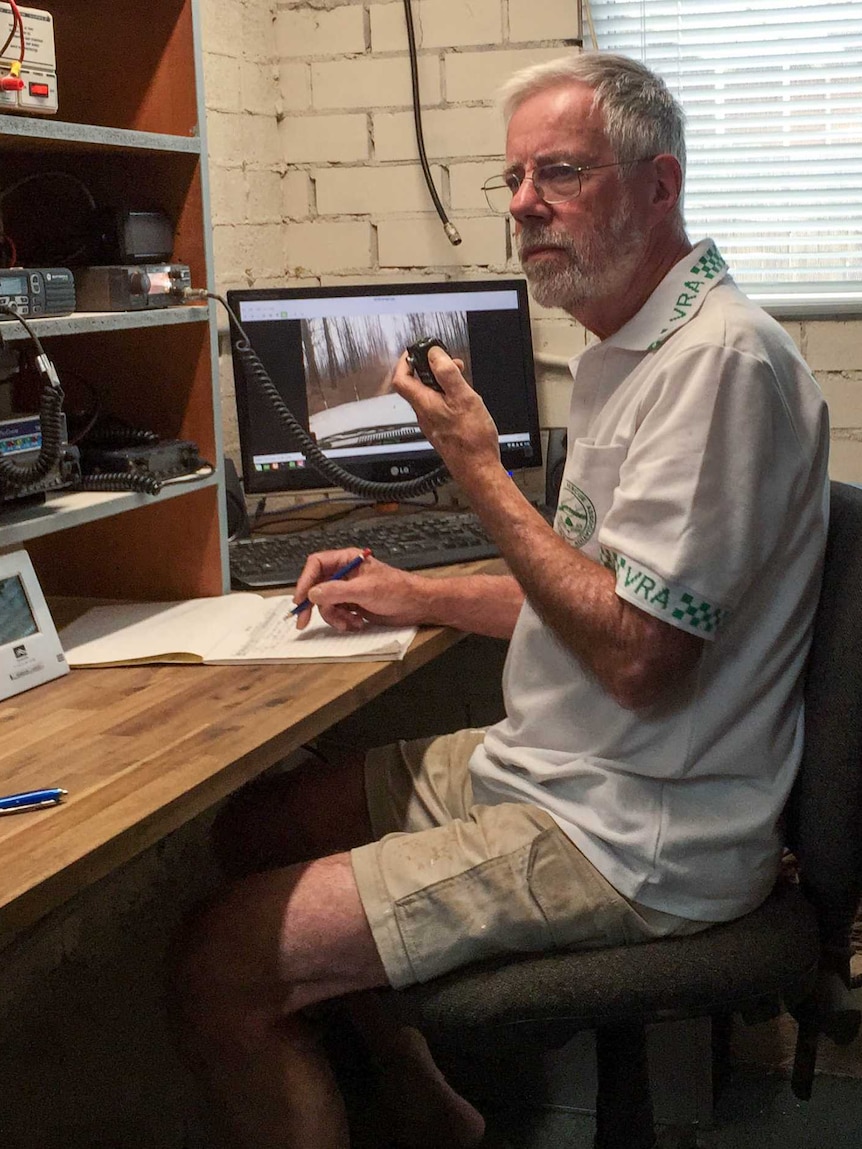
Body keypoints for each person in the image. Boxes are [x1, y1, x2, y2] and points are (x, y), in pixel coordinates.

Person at [173, 52, 830, 1148]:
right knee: (257, 824)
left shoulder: (718, 367)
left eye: (560, 173)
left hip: (633, 829)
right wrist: (413, 592)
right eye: (515, 177)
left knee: (219, 961)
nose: (524, 203)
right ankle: (435, 1114)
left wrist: (476, 471)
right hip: (560, 766)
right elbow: (594, 598)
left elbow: (635, 654)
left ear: (658, 186)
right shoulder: (634, 348)